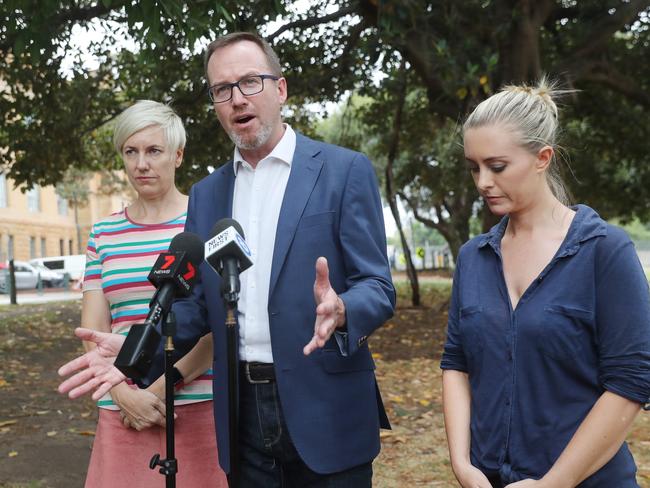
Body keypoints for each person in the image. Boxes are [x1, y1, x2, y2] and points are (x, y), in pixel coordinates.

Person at [59, 32, 395, 486]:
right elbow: (198, 305)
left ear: (281, 89)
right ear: (215, 105)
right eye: (222, 90)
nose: (237, 99)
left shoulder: (343, 170)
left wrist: (343, 310)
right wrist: (144, 344)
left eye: (250, 82)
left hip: (327, 405)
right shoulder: (207, 193)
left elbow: (378, 286)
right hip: (241, 416)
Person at [441, 79, 650, 487]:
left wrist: (554, 483)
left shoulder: (603, 250)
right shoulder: (473, 257)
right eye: (473, 167)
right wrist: (464, 466)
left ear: (543, 158)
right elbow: (456, 363)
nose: (482, 181)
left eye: (497, 166)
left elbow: (630, 382)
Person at [76, 100, 226, 487]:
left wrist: (158, 390)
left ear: (177, 155)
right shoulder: (103, 235)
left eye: (154, 150)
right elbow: (92, 331)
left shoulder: (206, 225)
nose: (141, 163)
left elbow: (217, 329)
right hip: (121, 411)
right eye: (131, 151)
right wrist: (125, 395)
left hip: (196, 409)